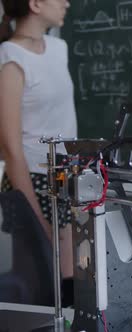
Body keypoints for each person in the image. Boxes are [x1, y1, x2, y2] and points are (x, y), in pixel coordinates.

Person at [0, 0, 76, 298]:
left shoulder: (59, 49)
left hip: (66, 175)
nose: (66, 3)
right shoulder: (10, 57)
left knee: (70, 283)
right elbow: (10, 146)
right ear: (35, 4)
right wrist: (37, 219)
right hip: (31, 179)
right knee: (39, 286)